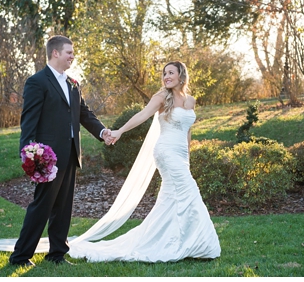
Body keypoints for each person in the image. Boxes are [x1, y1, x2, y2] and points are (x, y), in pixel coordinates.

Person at [67, 61, 221, 262]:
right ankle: (198, 243)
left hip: (181, 154)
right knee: (189, 191)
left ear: (181, 76)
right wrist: (120, 131)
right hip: (165, 151)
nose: (166, 76)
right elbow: (142, 115)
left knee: (171, 199)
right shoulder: (161, 98)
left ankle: (176, 241)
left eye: (171, 73)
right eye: (164, 73)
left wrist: (188, 156)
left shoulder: (190, 100)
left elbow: (188, 130)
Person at [8, 35, 113, 267]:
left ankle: (57, 254)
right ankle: (20, 256)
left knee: (63, 208)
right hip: (48, 157)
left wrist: (103, 132)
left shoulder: (73, 84)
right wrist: (28, 154)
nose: (72, 56)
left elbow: (84, 114)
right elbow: (29, 121)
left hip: (72, 154)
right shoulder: (37, 82)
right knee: (41, 207)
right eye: (69, 53)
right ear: (55, 53)